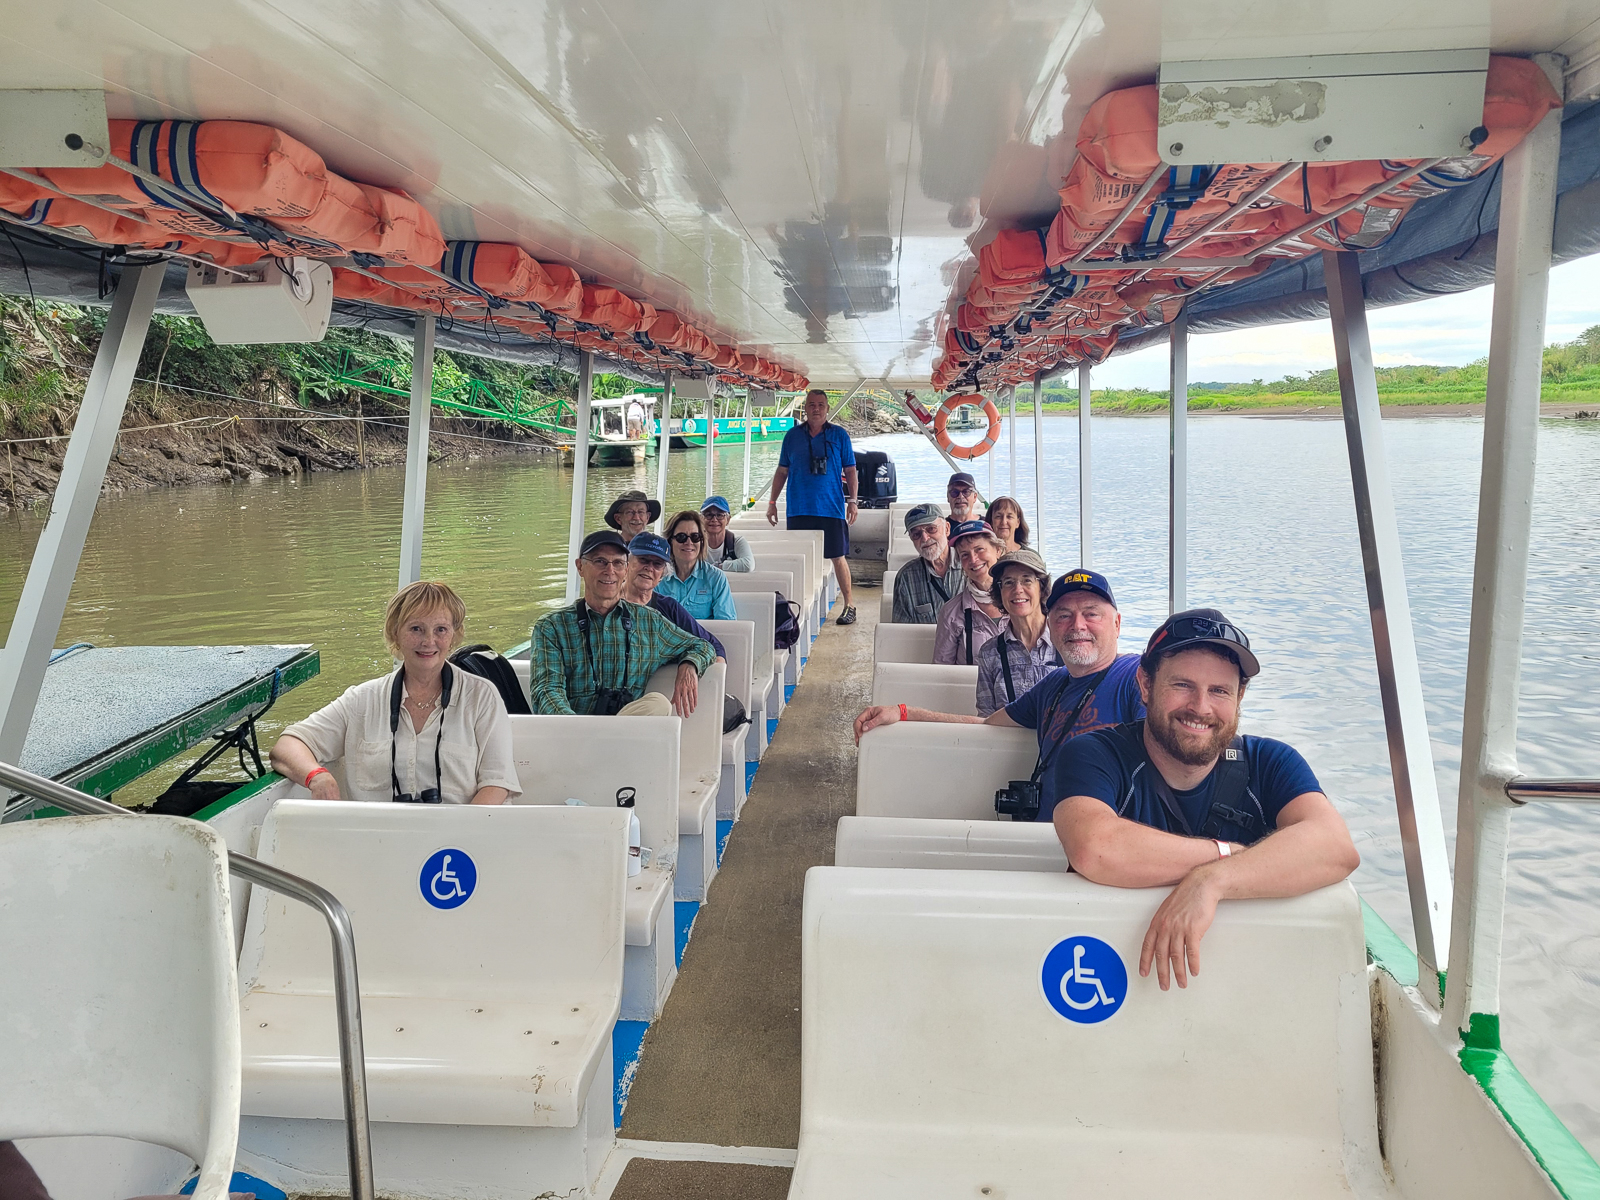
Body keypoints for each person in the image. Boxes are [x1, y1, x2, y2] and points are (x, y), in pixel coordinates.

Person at [1052, 609, 1361, 991]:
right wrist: (1228, 854)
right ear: (1145, 685)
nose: (1200, 707)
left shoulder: (1271, 763)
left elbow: (1336, 847)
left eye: (1219, 691)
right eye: (1182, 685)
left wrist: (1212, 881)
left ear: (1240, 696)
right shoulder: (1094, 754)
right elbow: (1094, 848)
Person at [853, 570, 1145, 799]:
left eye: (1091, 614)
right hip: (1048, 842)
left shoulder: (1137, 679)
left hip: (1108, 851)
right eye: (1064, 615)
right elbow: (986, 725)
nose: (1077, 625)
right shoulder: (1054, 686)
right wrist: (904, 713)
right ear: (1051, 624)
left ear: (1117, 624)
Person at [270, 581, 521, 805]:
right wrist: (317, 777)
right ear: (395, 633)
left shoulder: (481, 696)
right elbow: (287, 746)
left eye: (441, 630)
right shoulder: (362, 701)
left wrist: (449, 838)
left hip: (459, 847)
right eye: (416, 629)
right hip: (378, 840)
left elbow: (496, 784)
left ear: (454, 635)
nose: (428, 641)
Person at [530, 529, 716, 716]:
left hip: (627, 731)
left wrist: (690, 665)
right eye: (600, 561)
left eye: (618, 563)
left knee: (659, 704)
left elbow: (703, 646)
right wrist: (579, 729)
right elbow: (547, 691)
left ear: (625, 570)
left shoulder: (650, 622)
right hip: (571, 732)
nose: (609, 571)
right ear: (580, 567)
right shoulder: (552, 627)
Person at [767, 388, 859, 624]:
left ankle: (849, 604)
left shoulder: (839, 435)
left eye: (820, 405)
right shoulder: (792, 436)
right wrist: (772, 502)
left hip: (831, 508)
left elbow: (850, 470)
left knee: (838, 557)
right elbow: (782, 471)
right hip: (799, 508)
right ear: (805, 408)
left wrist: (853, 501)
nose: (816, 408)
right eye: (811, 404)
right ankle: (799, 605)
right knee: (800, 559)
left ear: (827, 409)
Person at [975, 549, 1061, 717]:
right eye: (1008, 582)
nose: (1018, 589)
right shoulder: (989, 653)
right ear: (999, 591)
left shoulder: (1065, 640)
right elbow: (986, 717)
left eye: (1027, 580)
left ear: (1042, 588)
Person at [625, 531, 727, 660]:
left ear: (662, 574)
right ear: (626, 563)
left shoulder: (669, 607)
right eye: (643, 560)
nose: (649, 568)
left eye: (657, 564)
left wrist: (690, 665)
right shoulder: (607, 602)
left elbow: (714, 647)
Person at [932, 520, 1007, 666]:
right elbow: (941, 672)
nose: (973, 559)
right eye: (965, 555)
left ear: (997, 550)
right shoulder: (951, 613)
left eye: (979, 549)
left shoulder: (1022, 601)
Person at [656, 509, 738, 620]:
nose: (689, 542)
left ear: (701, 541)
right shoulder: (657, 577)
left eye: (695, 537)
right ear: (670, 541)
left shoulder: (716, 578)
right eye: (681, 537)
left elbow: (726, 625)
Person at [892, 502, 959, 624]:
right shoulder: (906, 577)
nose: (924, 538)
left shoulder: (970, 565)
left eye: (931, 529)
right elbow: (901, 632)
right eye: (916, 534)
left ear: (947, 529)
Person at [701, 495, 754, 572]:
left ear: (728, 520)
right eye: (709, 515)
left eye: (719, 515)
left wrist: (718, 566)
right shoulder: (694, 542)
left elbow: (748, 564)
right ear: (701, 519)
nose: (714, 519)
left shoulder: (737, 542)